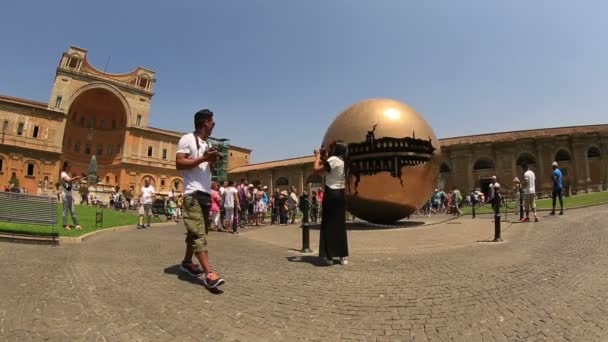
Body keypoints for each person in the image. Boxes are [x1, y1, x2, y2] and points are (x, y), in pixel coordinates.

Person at [175, 109, 225, 289]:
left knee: (196, 231)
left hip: (204, 193)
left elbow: (208, 167)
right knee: (198, 234)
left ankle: (187, 262)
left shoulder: (206, 143)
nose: (213, 126)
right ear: (205, 122)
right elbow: (179, 163)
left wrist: (213, 159)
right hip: (193, 193)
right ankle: (209, 273)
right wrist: (204, 157)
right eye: (213, 122)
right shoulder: (187, 139)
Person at [313, 141, 348, 266]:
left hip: (331, 193)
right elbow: (327, 167)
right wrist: (323, 157)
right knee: (340, 224)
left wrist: (317, 155)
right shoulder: (343, 161)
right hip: (341, 194)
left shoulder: (333, 159)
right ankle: (343, 255)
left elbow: (316, 169)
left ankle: (329, 255)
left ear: (335, 149)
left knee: (328, 224)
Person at [60, 161, 82, 230]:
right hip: (65, 196)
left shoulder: (67, 174)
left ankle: (77, 225)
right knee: (65, 211)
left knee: (73, 211)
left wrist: (72, 197)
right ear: (66, 166)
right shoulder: (63, 173)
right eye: (69, 166)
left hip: (69, 196)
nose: (70, 167)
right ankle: (65, 225)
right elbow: (68, 180)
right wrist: (75, 178)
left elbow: (70, 182)